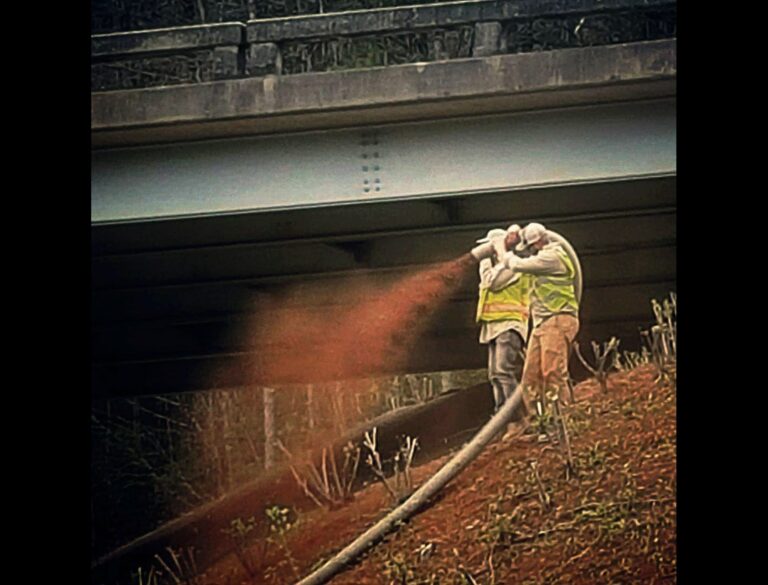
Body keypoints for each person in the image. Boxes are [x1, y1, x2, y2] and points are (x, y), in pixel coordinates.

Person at [502, 223, 580, 410]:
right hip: (542, 323)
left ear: (537, 243)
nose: (529, 252)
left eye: (530, 247)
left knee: (552, 371)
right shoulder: (542, 257)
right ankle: (539, 421)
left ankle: (563, 419)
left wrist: (502, 252)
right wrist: (514, 230)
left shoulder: (552, 258)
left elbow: (516, 264)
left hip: (557, 318)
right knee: (531, 377)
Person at [475, 225, 532, 434]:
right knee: (494, 375)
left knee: (503, 370)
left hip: (509, 324)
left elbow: (492, 282)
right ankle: (502, 421)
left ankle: (519, 418)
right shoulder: (499, 266)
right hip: (493, 326)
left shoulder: (512, 265)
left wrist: (485, 260)